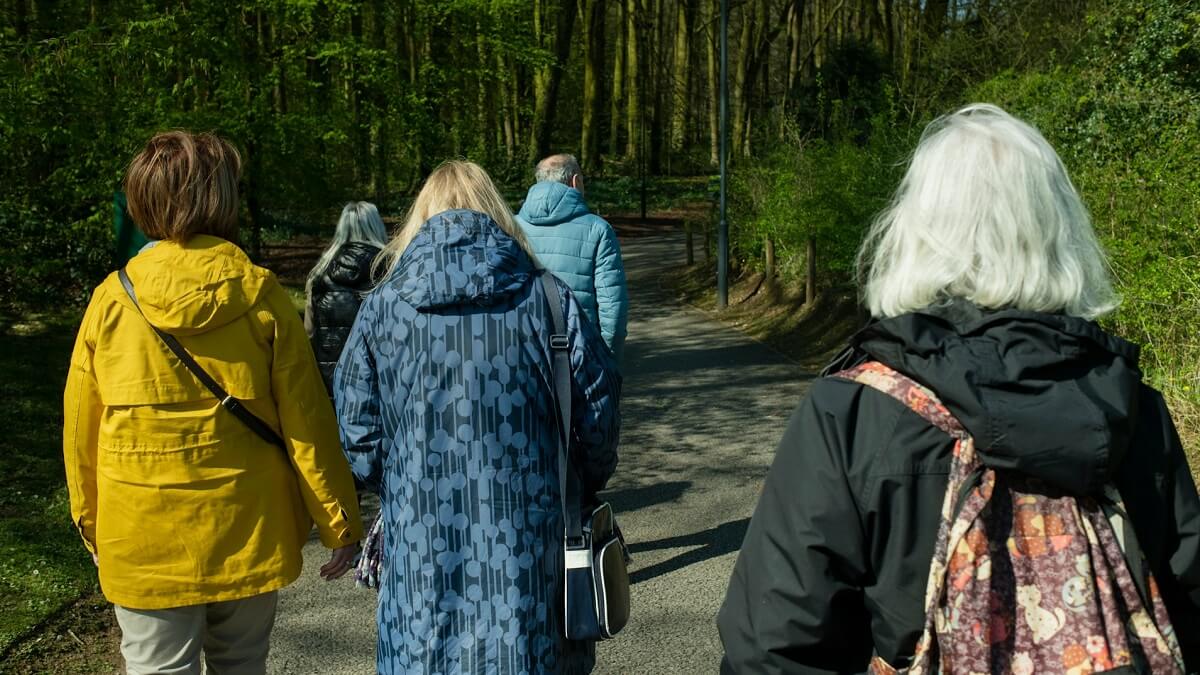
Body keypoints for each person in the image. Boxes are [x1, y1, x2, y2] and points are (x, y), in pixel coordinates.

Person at [717, 104, 1200, 673]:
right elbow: (1186, 607)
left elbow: (779, 646)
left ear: (915, 228)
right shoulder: (1129, 404)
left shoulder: (853, 411)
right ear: (1060, 230)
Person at [63, 131, 364, 674]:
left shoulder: (110, 300)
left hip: (141, 536)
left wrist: (91, 526)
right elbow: (308, 423)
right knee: (242, 664)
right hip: (246, 528)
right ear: (222, 198)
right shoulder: (260, 294)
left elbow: (81, 433)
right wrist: (337, 521)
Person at [335, 160, 621, 674]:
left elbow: (357, 428)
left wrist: (404, 479)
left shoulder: (382, 310)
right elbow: (597, 419)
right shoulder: (551, 300)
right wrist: (571, 482)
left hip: (421, 554)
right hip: (530, 555)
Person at [516, 153, 629, 364]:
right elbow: (612, 307)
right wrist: (608, 358)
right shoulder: (598, 229)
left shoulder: (511, 227)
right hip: (583, 354)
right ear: (576, 181)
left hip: (525, 352)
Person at [305, 201, 389, 394]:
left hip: (329, 386)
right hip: (380, 384)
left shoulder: (319, 275)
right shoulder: (392, 270)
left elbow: (309, 334)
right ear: (377, 227)